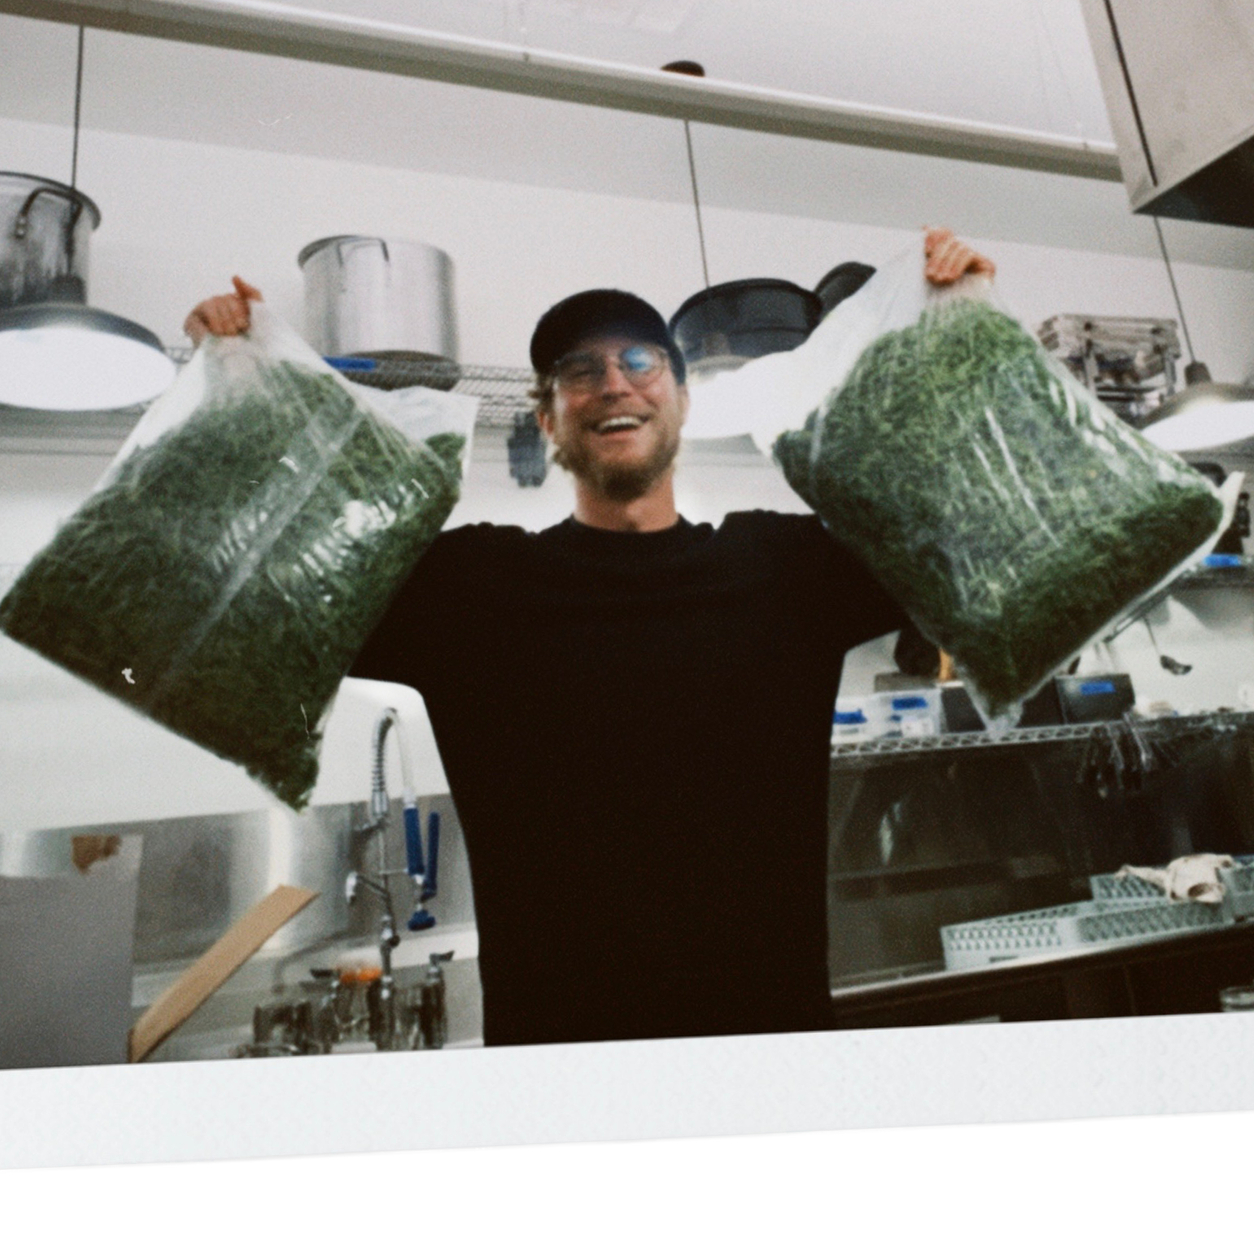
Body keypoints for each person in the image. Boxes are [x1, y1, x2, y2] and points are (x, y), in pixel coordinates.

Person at [185, 228, 996, 1047]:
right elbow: (259, 582)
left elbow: (963, 524)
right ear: (547, 417)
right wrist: (230, 389)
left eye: (643, 361)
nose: (615, 383)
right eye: (580, 369)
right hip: (564, 1072)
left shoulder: (785, 572)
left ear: (681, 398)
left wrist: (957, 331)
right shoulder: (470, 590)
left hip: (768, 1052)